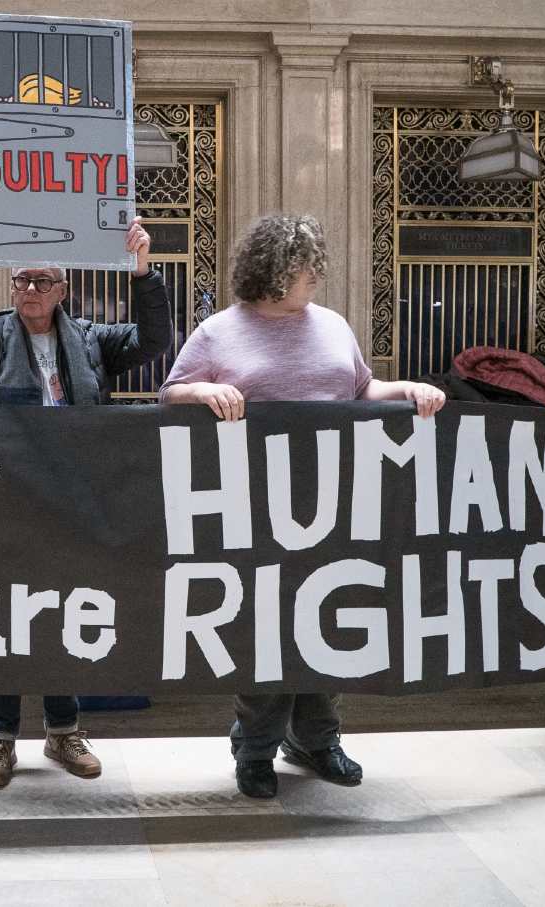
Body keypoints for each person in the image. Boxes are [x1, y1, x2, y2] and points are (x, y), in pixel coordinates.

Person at [159, 213, 445, 799]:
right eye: (305, 267)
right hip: (255, 507)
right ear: (273, 270)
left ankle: (318, 740)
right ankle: (256, 748)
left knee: (331, 620)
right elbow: (169, 393)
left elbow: (362, 389)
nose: (316, 276)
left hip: (338, 501)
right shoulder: (219, 331)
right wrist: (203, 390)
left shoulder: (333, 325)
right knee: (265, 628)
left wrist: (408, 389)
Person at [0, 213, 171, 788]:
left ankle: (62, 731)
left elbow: (155, 342)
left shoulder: (92, 342)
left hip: (74, 502)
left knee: (64, 613)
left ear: (63, 290)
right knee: (6, 616)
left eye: (42, 282)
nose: (29, 290)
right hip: (5, 503)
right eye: (21, 281)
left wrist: (143, 271)